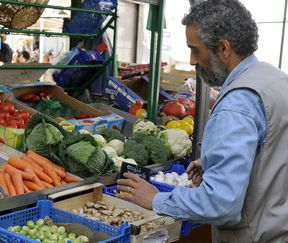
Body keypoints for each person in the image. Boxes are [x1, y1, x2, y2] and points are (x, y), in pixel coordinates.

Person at [117, 0, 288, 242]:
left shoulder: (236, 105)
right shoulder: (276, 79)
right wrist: (214, 161)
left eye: (195, 49)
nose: (192, 60)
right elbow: (272, 154)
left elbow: (221, 204)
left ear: (223, 48)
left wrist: (155, 199)